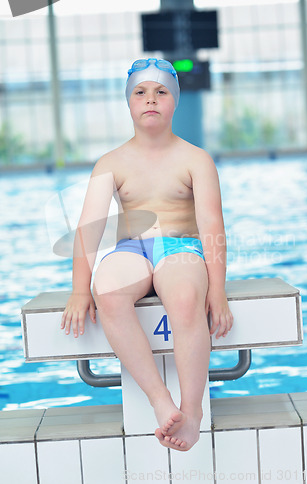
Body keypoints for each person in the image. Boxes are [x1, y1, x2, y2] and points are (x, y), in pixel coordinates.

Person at [61, 58, 234, 451]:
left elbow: (212, 227)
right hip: (132, 248)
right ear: (129, 103)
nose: (150, 99)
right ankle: (161, 401)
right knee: (108, 292)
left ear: (175, 101)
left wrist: (218, 289)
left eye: (161, 92)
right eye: (140, 92)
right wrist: (78, 290)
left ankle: (191, 412)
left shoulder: (196, 159)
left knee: (186, 296)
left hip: (181, 246)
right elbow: (88, 229)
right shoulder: (112, 162)